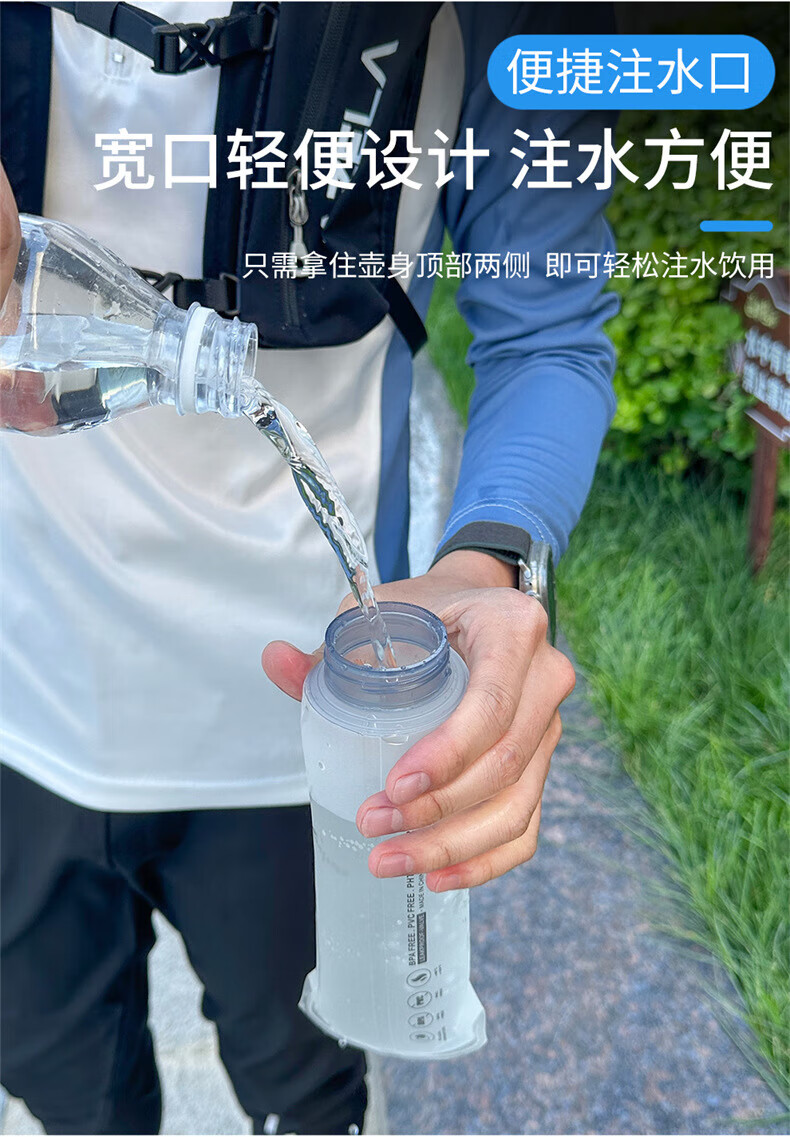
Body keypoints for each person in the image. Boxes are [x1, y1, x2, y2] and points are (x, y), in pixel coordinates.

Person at [0, 2, 617, 1133]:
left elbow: (547, 331)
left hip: (313, 741)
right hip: (18, 697)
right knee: (67, 1098)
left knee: (310, 1090)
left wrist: (493, 566)